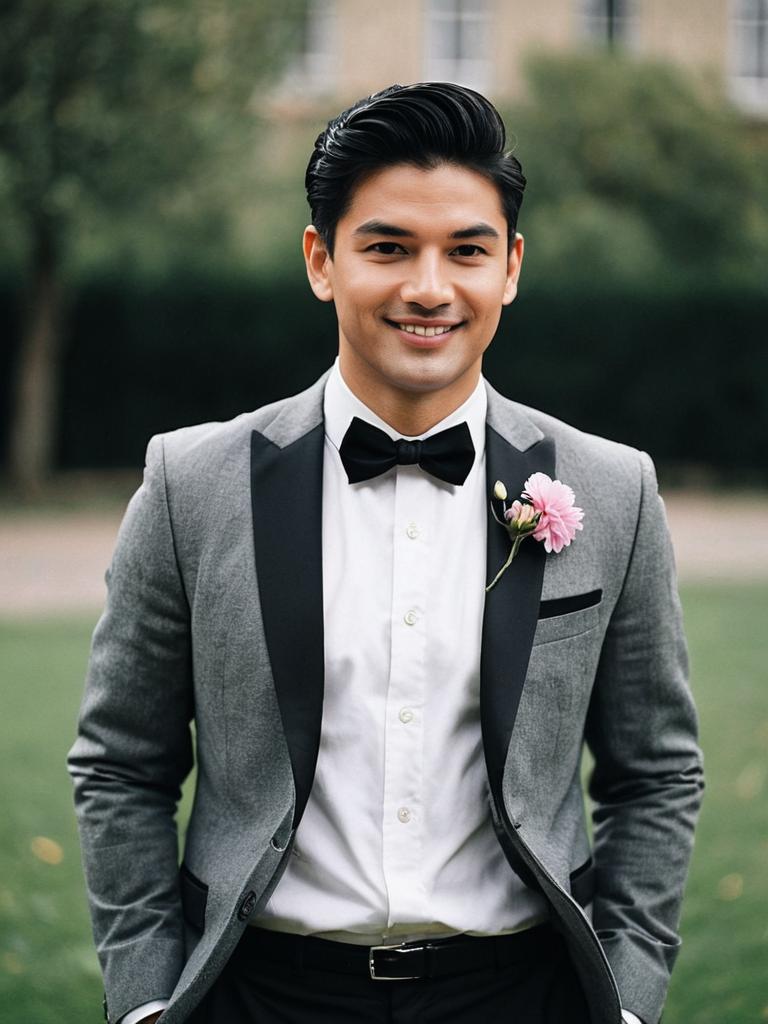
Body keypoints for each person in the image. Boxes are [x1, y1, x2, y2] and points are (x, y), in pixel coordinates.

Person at [68, 82, 703, 1024]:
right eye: (389, 247)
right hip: (256, 994)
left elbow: (655, 772)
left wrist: (631, 998)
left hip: (524, 995)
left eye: (468, 251)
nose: (430, 287)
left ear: (512, 267)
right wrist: (145, 998)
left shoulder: (613, 491)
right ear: (322, 260)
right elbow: (120, 761)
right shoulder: (190, 484)